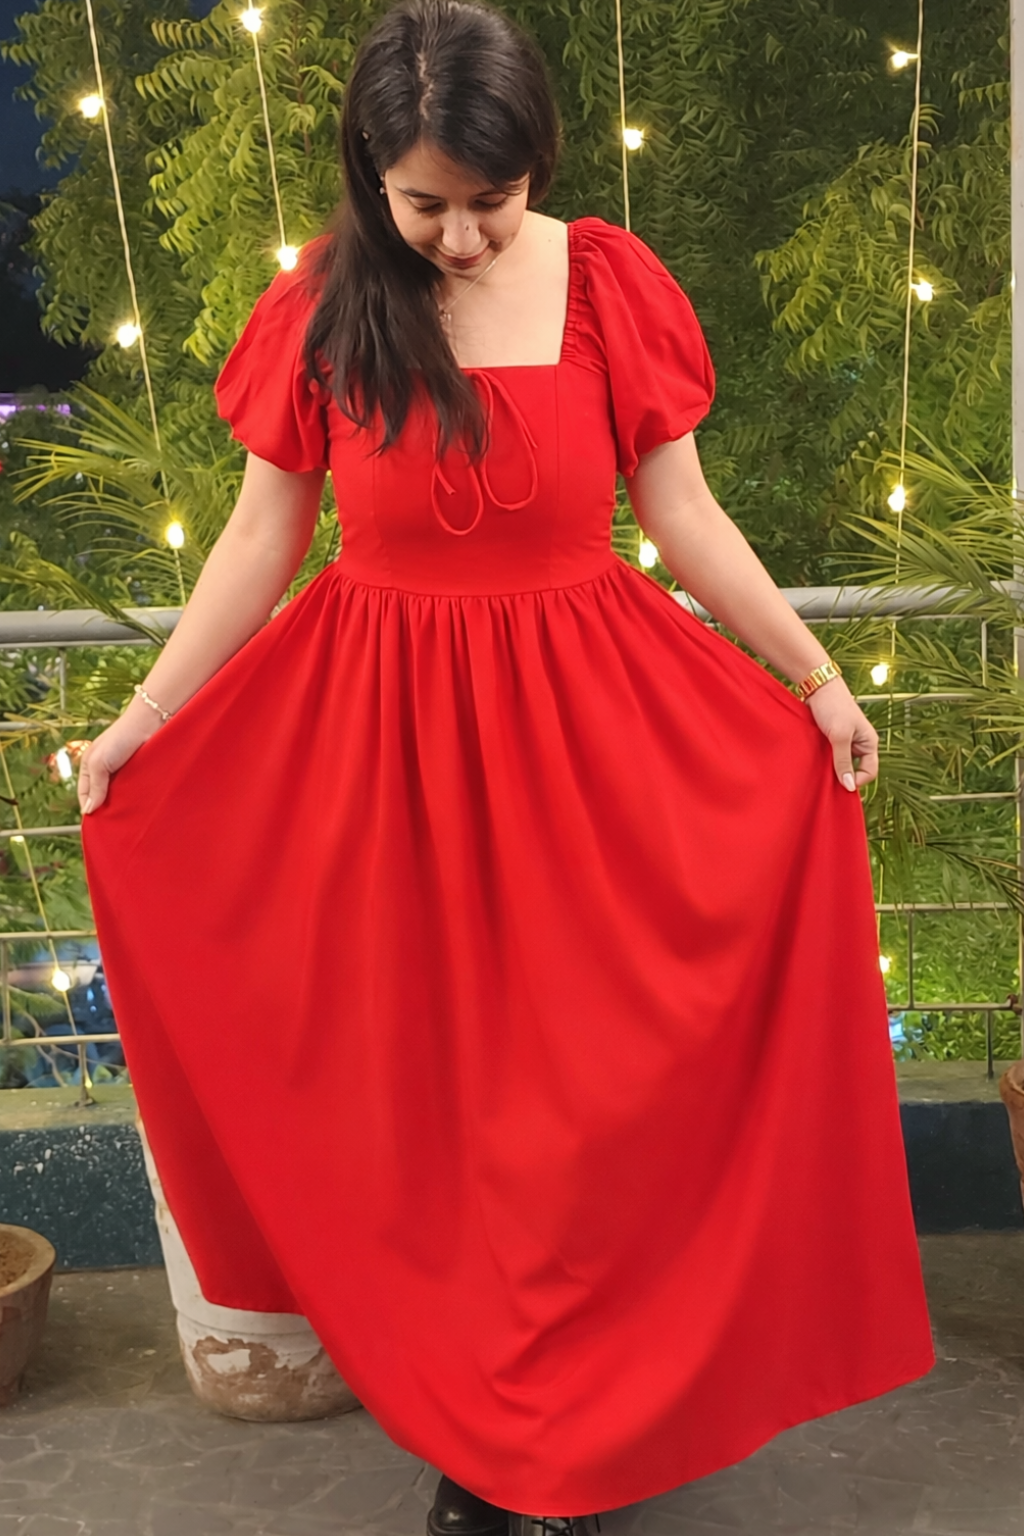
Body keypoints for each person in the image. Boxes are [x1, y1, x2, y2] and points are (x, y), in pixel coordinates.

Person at [79, 1, 935, 1531]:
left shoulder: (610, 279)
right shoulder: (325, 307)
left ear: (536, 168)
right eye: (426, 206)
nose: (463, 241)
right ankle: (489, 1444)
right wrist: (143, 724)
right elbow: (263, 539)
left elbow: (681, 514)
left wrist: (809, 676)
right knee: (442, 1121)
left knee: (581, 1120)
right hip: (380, 760)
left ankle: (589, 1425)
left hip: (594, 743)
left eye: (495, 201)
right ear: (369, 177)